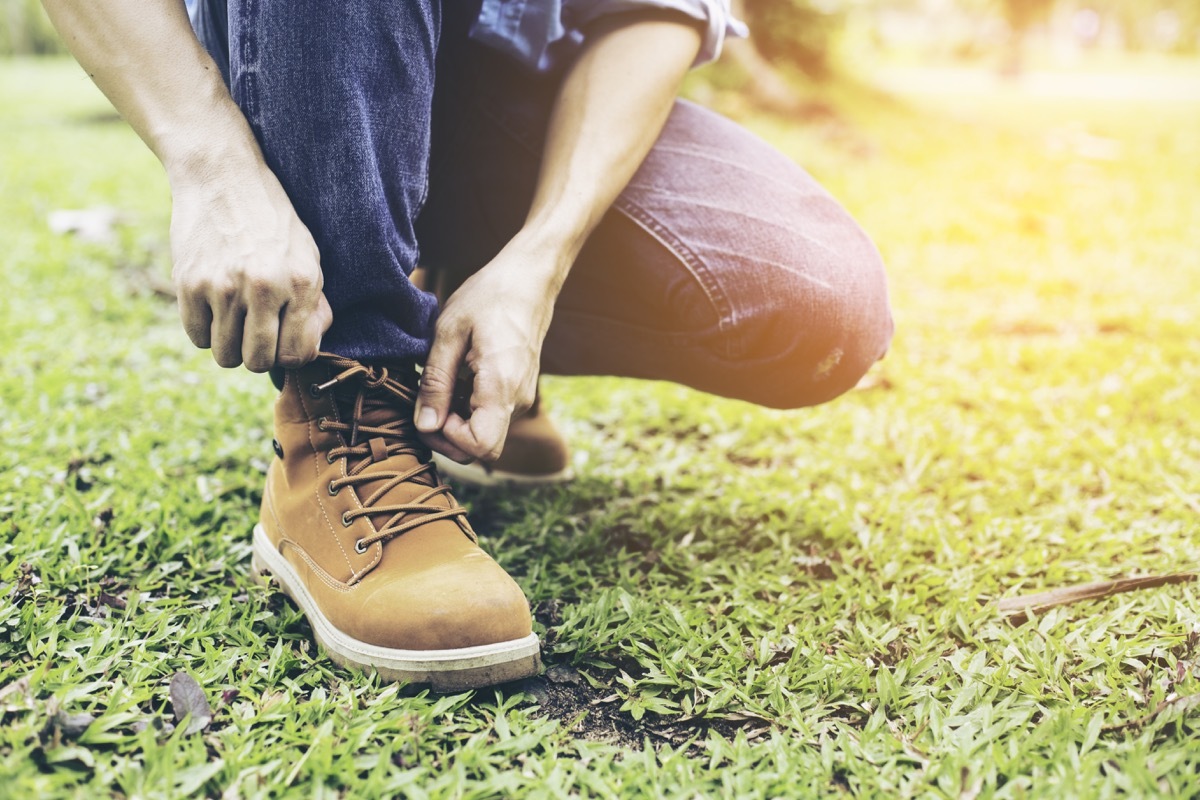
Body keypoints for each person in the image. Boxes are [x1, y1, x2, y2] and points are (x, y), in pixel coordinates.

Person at [41, 0, 893, 691]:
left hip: (509, 77)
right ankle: (343, 413)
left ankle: (454, 345)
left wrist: (537, 262)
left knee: (820, 307)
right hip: (298, 46)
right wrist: (209, 163)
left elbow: (653, 11)